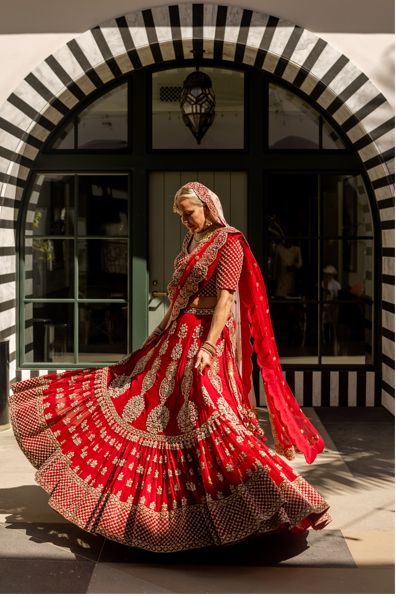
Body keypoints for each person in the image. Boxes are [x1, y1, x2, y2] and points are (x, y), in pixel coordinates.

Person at [9, 182, 331, 553]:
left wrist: (209, 346)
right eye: (179, 214)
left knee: (212, 418)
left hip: (203, 341)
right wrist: (156, 334)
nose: (183, 219)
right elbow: (181, 299)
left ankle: (283, 498)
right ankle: (157, 510)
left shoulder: (229, 242)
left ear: (207, 206)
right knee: (146, 409)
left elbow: (225, 299)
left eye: (188, 212)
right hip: (176, 336)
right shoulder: (191, 243)